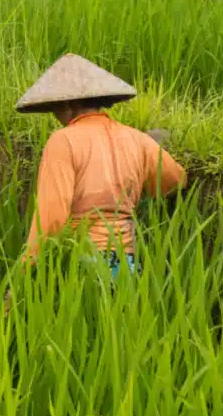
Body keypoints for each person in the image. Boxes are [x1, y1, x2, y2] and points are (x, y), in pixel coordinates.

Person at [14, 53, 186, 276]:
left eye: (55, 108)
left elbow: (52, 220)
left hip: (80, 262)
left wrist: (21, 276)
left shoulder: (63, 141)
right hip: (126, 266)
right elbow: (175, 182)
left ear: (68, 104)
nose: (56, 115)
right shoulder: (137, 139)